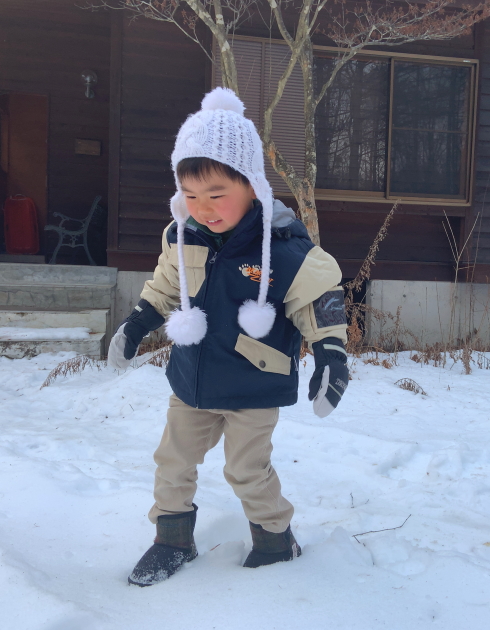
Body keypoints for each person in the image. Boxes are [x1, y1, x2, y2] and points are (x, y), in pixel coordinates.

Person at [107, 87, 350, 587]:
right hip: (192, 378)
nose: (203, 208)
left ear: (252, 185)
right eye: (190, 196)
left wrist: (330, 353)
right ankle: (171, 539)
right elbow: (167, 285)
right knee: (172, 461)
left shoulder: (281, 247)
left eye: (217, 195)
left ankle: (275, 539)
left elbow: (317, 297)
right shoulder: (181, 235)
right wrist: (138, 322)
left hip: (253, 383)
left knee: (246, 468)